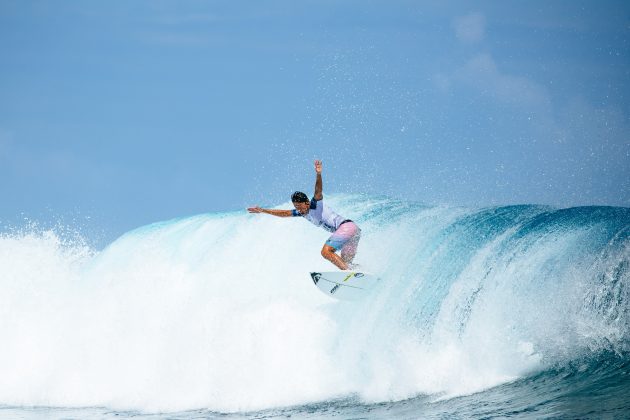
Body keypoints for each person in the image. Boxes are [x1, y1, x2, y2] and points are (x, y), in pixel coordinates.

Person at [247, 160, 361, 270]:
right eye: (296, 207)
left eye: (300, 206)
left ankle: (349, 273)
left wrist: (318, 174)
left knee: (326, 252)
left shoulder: (315, 204)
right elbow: (284, 213)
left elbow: (318, 190)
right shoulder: (302, 213)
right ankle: (363, 273)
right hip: (354, 232)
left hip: (347, 227)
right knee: (345, 263)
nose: (299, 209)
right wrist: (262, 210)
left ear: (307, 203)